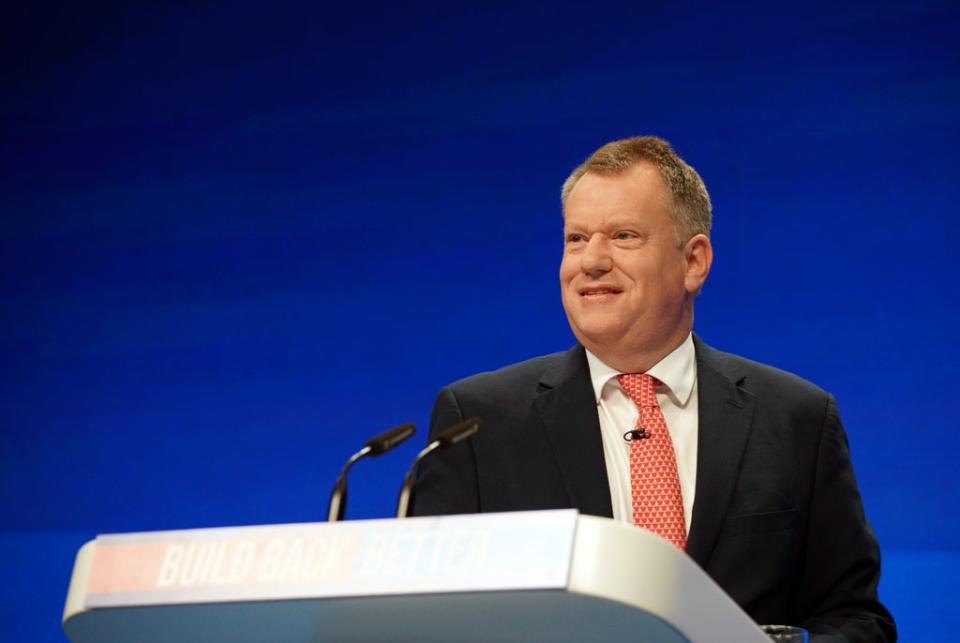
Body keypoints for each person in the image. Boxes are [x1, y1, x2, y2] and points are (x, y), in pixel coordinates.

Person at [412, 136, 896, 642]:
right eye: (576, 239)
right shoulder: (476, 424)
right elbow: (428, 621)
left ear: (693, 262)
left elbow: (856, 620)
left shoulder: (797, 418)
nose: (590, 261)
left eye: (622, 235)